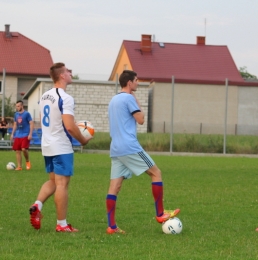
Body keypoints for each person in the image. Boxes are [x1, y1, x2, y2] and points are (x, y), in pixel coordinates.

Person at [105, 70, 180, 234]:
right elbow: (140, 120)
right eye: (136, 80)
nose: (138, 82)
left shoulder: (113, 100)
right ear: (129, 83)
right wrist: (136, 101)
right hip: (129, 146)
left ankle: (111, 226)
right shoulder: (129, 98)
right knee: (156, 173)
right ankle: (160, 214)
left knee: (114, 187)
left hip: (116, 148)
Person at [29, 62, 92, 232]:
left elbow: (44, 120)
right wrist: (83, 140)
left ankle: (37, 205)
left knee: (53, 181)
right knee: (62, 184)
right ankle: (62, 225)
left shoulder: (44, 96)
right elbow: (70, 126)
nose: (70, 73)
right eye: (68, 71)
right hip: (61, 145)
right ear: (62, 76)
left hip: (47, 144)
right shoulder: (65, 98)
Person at [11, 101, 34, 170]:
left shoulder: (27, 114)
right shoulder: (16, 114)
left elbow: (31, 123)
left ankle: (27, 161)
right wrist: (12, 133)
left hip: (25, 134)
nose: (17, 107)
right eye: (16, 106)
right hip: (18, 134)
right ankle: (19, 166)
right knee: (17, 151)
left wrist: (30, 134)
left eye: (18, 106)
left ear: (22, 106)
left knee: (24, 149)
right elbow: (15, 124)